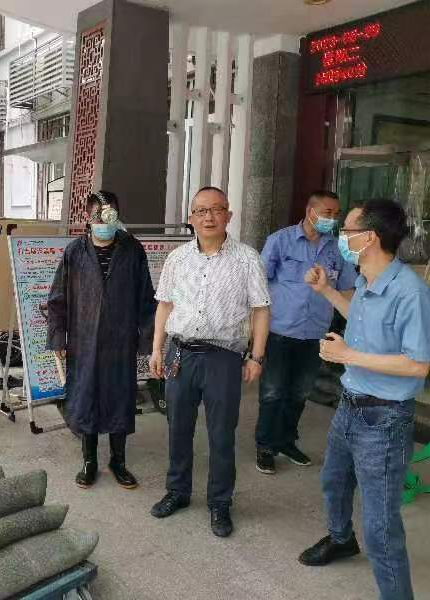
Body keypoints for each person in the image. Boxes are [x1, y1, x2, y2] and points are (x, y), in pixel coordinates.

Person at [299, 199, 430, 600]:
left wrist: (348, 356)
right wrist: (326, 291)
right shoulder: (366, 279)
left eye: (347, 230)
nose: (341, 235)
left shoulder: (410, 293)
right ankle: (341, 539)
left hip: (384, 420)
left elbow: (418, 365)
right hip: (350, 405)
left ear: (369, 237)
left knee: (380, 526)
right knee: (334, 481)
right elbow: (357, 313)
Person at [149, 186, 271, 538]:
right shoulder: (177, 259)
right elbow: (165, 305)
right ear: (191, 217)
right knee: (178, 427)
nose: (209, 217)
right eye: (201, 210)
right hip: (180, 353)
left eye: (216, 209)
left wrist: (256, 356)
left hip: (223, 357)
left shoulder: (247, 258)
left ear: (228, 215)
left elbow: (261, 310)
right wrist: (156, 350)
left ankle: (220, 502)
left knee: (221, 434)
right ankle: (178, 491)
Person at [47, 191, 156, 489]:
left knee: (120, 398)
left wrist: (148, 341)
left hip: (121, 340)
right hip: (83, 340)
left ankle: (118, 461)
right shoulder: (75, 252)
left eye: (110, 216)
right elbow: (57, 299)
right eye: (98, 216)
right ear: (88, 217)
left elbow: (146, 298)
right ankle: (90, 460)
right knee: (87, 398)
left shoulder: (132, 249)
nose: (104, 223)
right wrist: (58, 337)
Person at [254, 191, 357, 475]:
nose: (332, 219)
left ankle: (286, 441)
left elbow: (348, 288)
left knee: (300, 392)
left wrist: (356, 320)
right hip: (279, 331)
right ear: (310, 211)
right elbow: (258, 285)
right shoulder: (280, 240)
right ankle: (265, 446)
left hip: (314, 334)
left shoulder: (337, 250)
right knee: (273, 392)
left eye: (336, 214)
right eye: (327, 212)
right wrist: (253, 331)